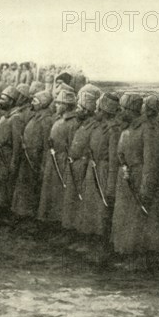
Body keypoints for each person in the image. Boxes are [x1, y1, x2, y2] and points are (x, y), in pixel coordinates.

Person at [111, 94, 159, 266]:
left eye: (124, 109)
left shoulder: (147, 129)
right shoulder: (129, 127)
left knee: (138, 221)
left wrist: (145, 188)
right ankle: (125, 253)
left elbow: (151, 162)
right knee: (125, 219)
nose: (121, 112)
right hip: (126, 179)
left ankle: (139, 259)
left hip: (138, 178)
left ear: (132, 110)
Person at [75, 92, 121, 259]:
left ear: (106, 111)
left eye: (99, 109)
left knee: (102, 211)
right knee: (90, 207)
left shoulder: (113, 130)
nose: (96, 112)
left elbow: (114, 160)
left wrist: (110, 186)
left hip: (103, 171)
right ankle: (89, 242)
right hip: (93, 170)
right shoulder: (98, 126)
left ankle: (102, 248)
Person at [62, 85, 101, 236]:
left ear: (87, 109)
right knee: (70, 201)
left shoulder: (93, 126)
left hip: (82, 167)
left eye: (80, 107)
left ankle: (79, 234)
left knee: (80, 203)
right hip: (74, 166)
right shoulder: (81, 124)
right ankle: (70, 232)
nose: (77, 110)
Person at [37, 88, 79, 224]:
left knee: (60, 192)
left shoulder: (73, 123)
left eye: (58, 103)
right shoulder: (58, 119)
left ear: (66, 105)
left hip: (62, 161)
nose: (55, 106)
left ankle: (59, 222)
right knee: (50, 190)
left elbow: (72, 145)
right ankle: (49, 220)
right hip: (53, 159)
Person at [11, 90, 54, 222]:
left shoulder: (46, 120)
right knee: (24, 187)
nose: (32, 103)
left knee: (33, 189)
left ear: (43, 104)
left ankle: (30, 218)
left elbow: (47, 144)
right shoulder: (35, 116)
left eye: (36, 101)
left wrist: (43, 163)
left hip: (36, 159)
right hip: (28, 157)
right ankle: (22, 215)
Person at [0, 86, 21, 218]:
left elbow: (17, 144)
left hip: (6, 155)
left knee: (4, 185)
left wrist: (13, 162)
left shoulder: (16, 118)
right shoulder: (4, 116)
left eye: (3, 98)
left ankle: (3, 213)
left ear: (12, 102)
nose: (0, 101)